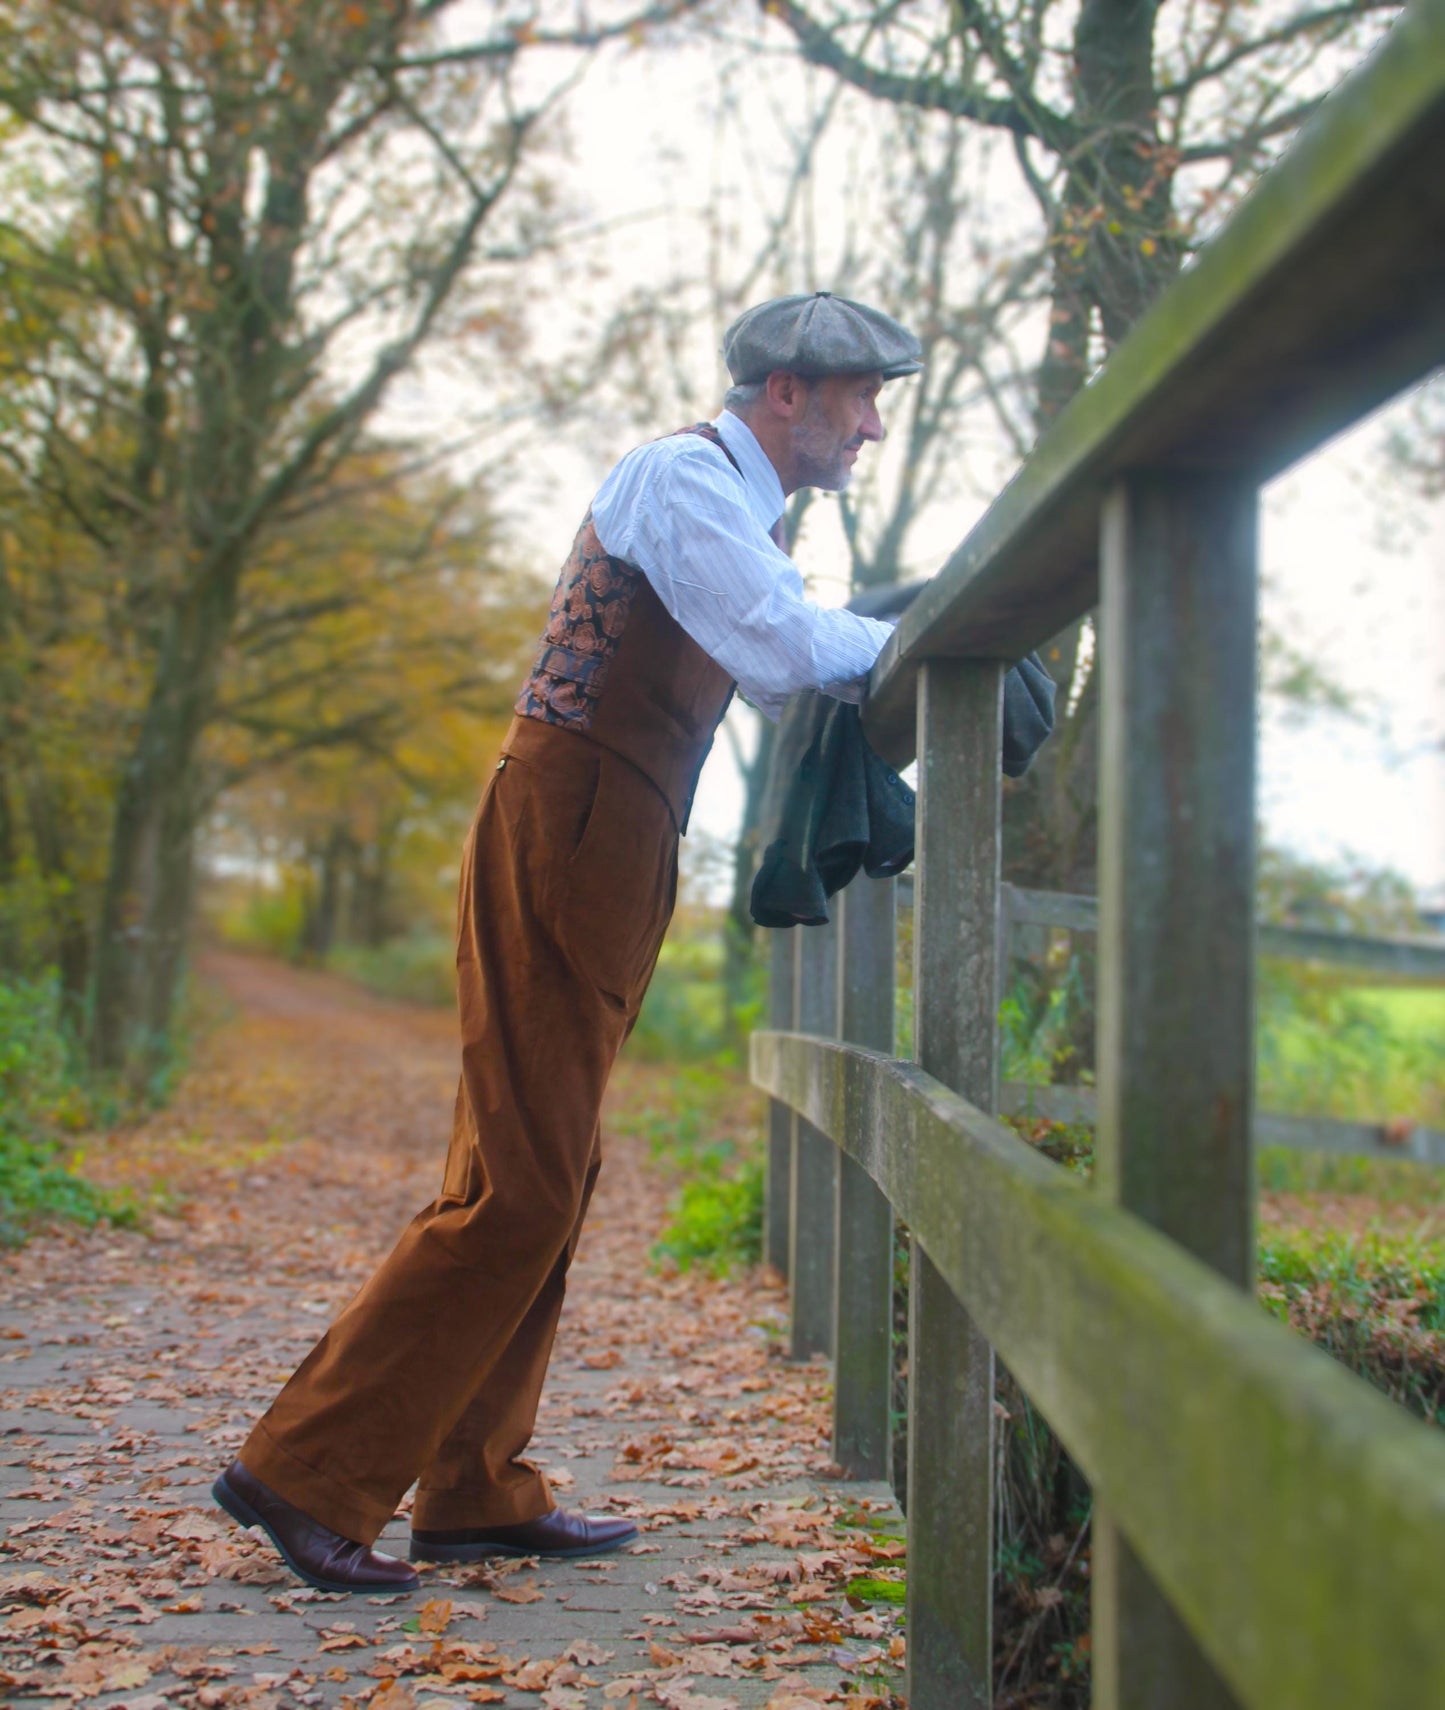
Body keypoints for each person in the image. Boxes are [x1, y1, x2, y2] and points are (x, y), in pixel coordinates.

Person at [212, 291, 924, 1593]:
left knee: (547, 1164)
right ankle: (302, 1469)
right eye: (857, 396)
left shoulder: (727, 504)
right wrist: (930, 638)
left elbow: (775, 648)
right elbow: (783, 649)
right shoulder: (688, 481)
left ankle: (476, 1486)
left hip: (612, 822)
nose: (872, 425)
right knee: (525, 1181)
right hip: (577, 815)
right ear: (785, 394)